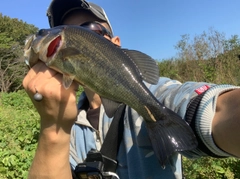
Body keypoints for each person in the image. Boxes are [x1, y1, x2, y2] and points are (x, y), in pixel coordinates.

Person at [23, 0, 240, 178]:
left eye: (91, 30)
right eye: (69, 30)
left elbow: (214, 110)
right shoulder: (68, 123)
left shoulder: (159, 93)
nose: (82, 38)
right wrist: (53, 128)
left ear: (116, 43)